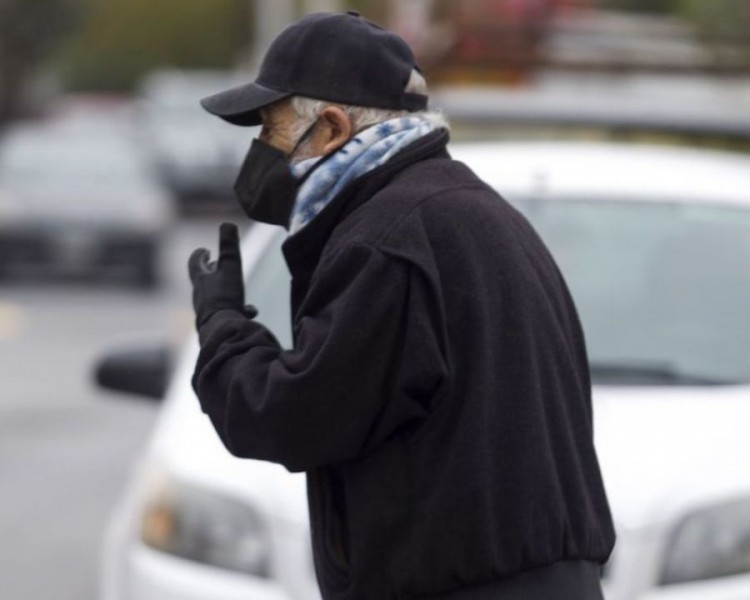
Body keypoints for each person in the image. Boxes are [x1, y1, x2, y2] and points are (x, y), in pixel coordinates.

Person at [188, 10, 614, 600]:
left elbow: (297, 418)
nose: (261, 149)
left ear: (332, 126)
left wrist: (221, 328)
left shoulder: (386, 240)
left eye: (270, 127)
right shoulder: (468, 210)